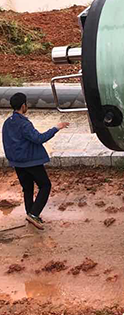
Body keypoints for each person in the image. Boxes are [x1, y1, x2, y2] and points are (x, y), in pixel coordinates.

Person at [1, 92, 69, 230]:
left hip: (17, 163)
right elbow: (39, 138)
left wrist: (12, 159)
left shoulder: (7, 123)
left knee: (28, 188)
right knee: (45, 186)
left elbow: (6, 142)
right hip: (31, 161)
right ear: (23, 106)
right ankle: (34, 214)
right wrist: (56, 128)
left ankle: (31, 215)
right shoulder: (24, 124)